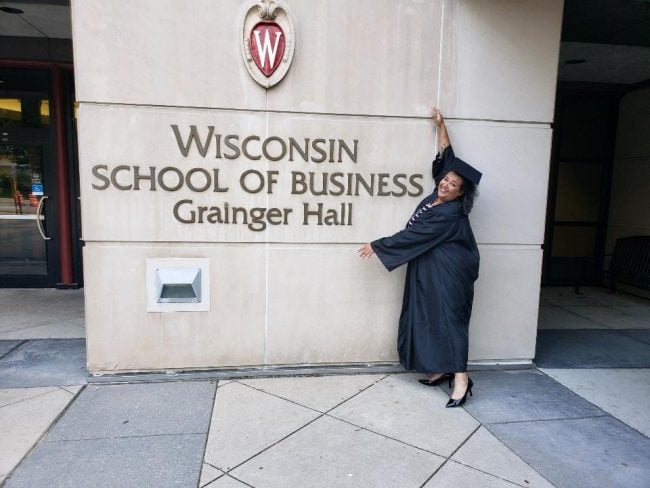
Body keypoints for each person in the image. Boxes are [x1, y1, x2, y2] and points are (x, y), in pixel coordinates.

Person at [358, 107, 482, 408]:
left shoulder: (450, 213)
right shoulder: (436, 197)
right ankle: (440, 368)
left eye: (454, 184)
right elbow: (447, 155)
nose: (446, 184)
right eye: (446, 179)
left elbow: (414, 236)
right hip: (431, 268)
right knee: (429, 316)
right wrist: (441, 126)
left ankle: (462, 379)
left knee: (451, 321)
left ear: (460, 194)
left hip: (450, 273)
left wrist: (379, 244)